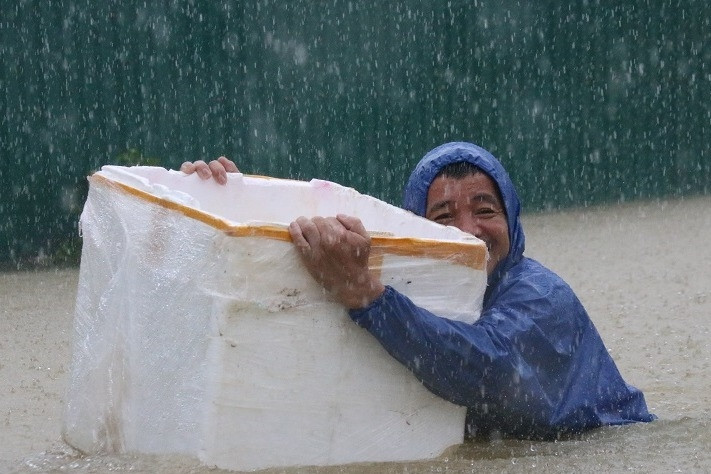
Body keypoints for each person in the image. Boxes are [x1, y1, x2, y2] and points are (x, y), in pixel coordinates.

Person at [181, 142, 655, 439]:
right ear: (417, 229)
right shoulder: (413, 292)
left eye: (485, 209)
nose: (469, 231)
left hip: (610, 445)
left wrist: (367, 294)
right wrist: (232, 216)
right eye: (444, 218)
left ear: (511, 217)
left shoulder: (542, 297)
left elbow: (486, 370)